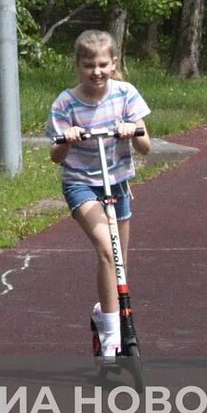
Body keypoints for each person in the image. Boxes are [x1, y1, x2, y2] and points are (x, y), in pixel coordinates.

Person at [46, 30, 152, 364]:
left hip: (118, 182)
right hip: (82, 183)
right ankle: (111, 336)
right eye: (89, 65)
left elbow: (146, 145)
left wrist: (131, 128)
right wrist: (68, 138)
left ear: (114, 63)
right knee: (107, 249)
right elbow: (56, 156)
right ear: (78, 65)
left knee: (118, 261)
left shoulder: (125, 94)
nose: (97, 71)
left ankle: (102, 314)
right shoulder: (66, 103)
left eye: (103, 64)